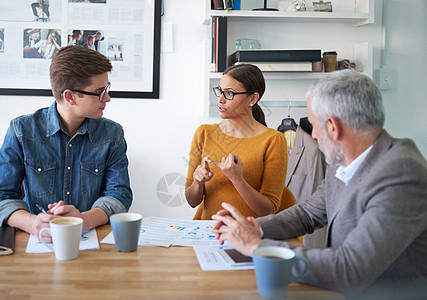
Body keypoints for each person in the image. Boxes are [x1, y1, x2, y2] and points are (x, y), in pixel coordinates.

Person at [212, 70, 427, 296]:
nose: (313, 134)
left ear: (333, 128)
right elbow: (308, 213)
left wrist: (256, 246)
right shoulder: (343, 160)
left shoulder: (402, 176)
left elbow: (349, 269)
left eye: (313, 125)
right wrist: (256, 228)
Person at [0, 46, 133, 242]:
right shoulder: (22, 131)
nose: (107, 98)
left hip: (92, 242)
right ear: (69, 96)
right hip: (37, 243)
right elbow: (3, 195)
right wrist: (32, 223)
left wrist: (83, 220)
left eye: (107, 88)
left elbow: (120, 194)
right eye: (100, 92)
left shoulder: (112, 135)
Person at [185, 63, 292, 220]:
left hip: (248, 236)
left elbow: (268, 209)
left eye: (229, 93)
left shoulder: (273, 140)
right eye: (220, 91)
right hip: (208, 233)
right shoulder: (204, 133)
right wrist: (198, 182)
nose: (220, 99)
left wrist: (237, 179)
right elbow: (191, 201)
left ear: (253, 98)